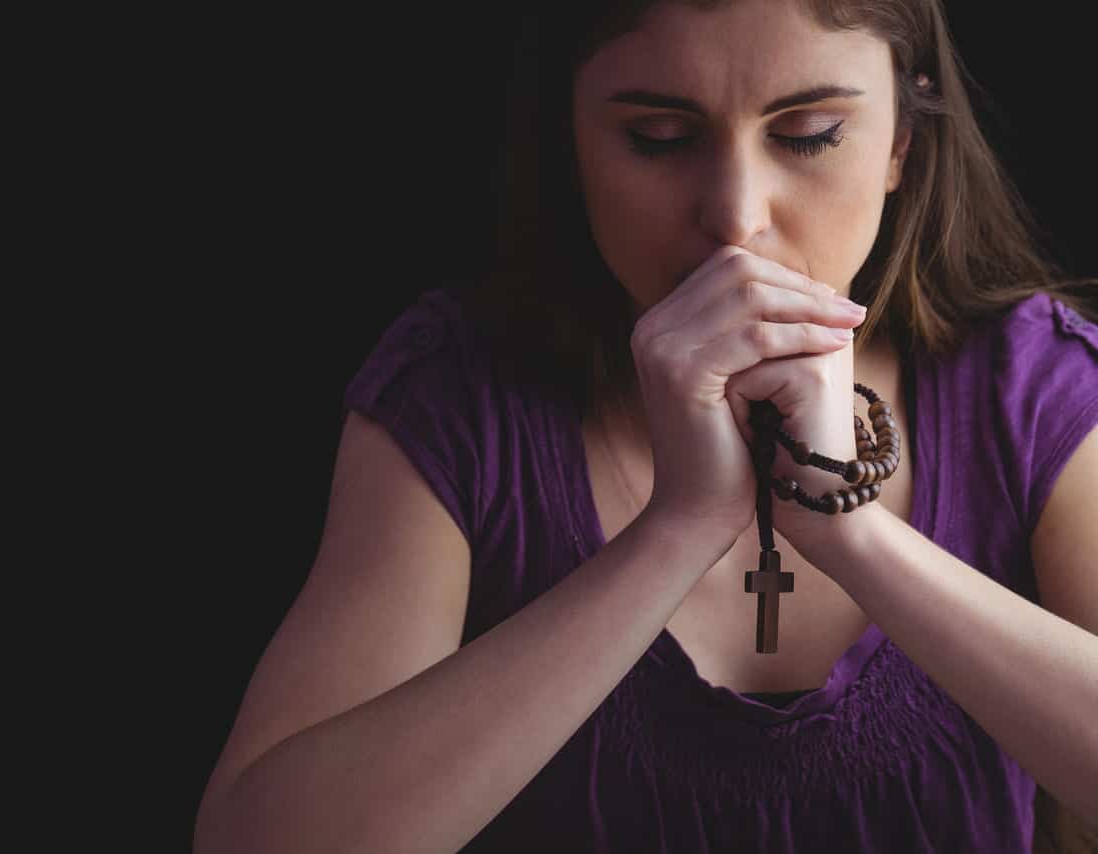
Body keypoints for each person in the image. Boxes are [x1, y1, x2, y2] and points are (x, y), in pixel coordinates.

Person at [195, 1, 1098, 851]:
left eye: (809, 135)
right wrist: (679, 527)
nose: (736, 219)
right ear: (574, 143)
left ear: (900, 141)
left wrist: (844, 521)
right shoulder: (457, 400)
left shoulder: (1031, 389)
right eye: (658, 139)